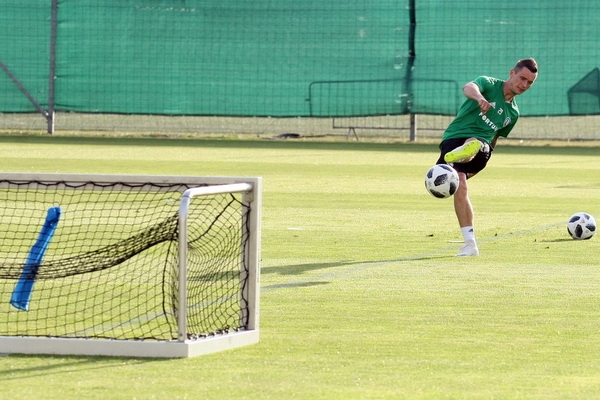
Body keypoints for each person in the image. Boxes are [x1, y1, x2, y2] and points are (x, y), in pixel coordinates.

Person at [437, 58, 538, 256]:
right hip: (455, 137)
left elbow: (495, 138)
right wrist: (479, 99)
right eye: (522, 78)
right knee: (459, 186)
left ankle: (470, 150)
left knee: (478, 144)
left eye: (530, 82)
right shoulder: (489, 84)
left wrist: (485, 156)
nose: (524, 85)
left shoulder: (513, 113)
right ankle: (470, 245)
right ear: (512, 73)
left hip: (482, 146)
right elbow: (468, 87)